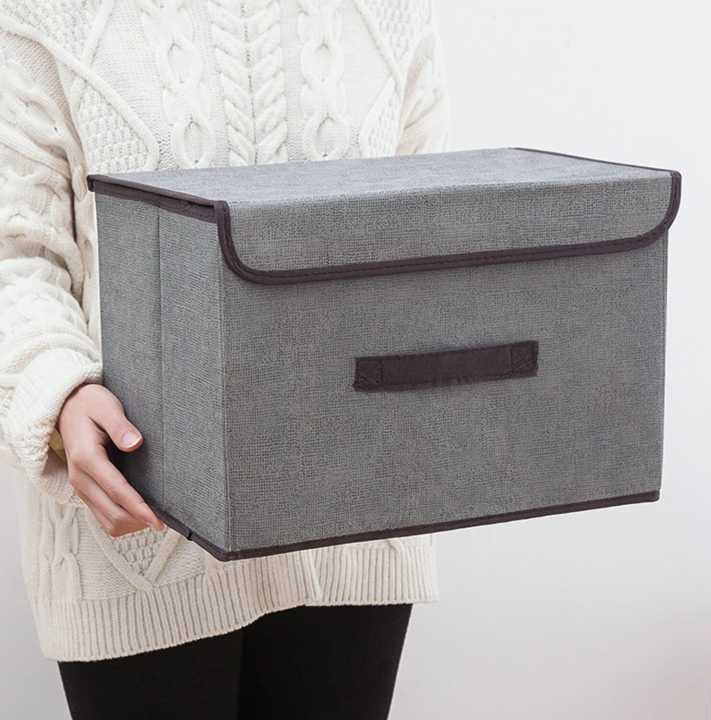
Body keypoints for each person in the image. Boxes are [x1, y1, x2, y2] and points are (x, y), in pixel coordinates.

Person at [0, 2, 448, 718]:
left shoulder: (392, 12)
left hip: (354, 522)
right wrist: (60, 389)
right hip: (140, 529)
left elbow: (434, 223)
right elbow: (16, 252)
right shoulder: (47, 13)